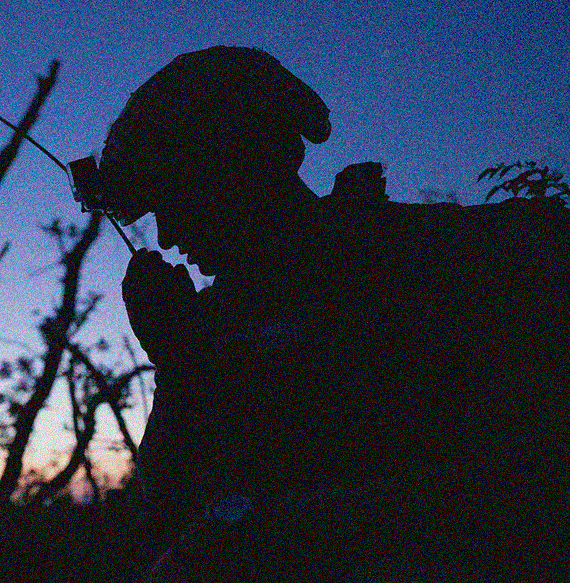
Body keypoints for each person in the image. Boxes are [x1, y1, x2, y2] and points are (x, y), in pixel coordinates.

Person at [87, 46, 569, 581]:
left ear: (240, 170)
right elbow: (174, 504)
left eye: (180, 205)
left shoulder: (420, 256)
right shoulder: (213, 324)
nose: (170, 238)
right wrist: (179, 361)